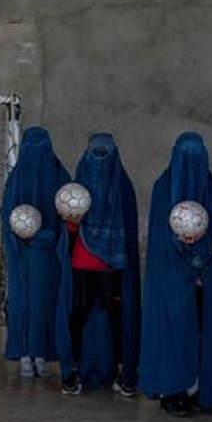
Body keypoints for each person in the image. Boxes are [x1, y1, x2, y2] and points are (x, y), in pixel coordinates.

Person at [139, 133, 212, 416]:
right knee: (174, 331)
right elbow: (161, 239)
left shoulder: (210, 187)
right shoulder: (164, 187)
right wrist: (182, 248)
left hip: (206, 272)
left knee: (203, 330)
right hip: (171, 275)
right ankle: (172, 390)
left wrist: (202, 259)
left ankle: (200, 390)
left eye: (197, 156)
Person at [56, 133, 141, 397]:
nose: (100, 159)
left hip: (112, 265)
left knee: (116, 318)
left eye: (106, 153)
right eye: (95, 153)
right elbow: (68, 231)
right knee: (77, 317)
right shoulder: (77, 186)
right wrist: (70, 221)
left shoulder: (123, 188)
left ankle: (122, 372)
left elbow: (128, 227)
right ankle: (73, 371)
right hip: (82, 263)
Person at [1, 127, 69, 377]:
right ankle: (23, 354)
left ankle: (42, 353)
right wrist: (20, 237)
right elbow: (8, 220)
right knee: (21, 304)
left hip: (49, 257)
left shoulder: (61, 177)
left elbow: (68, 216)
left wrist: (49, 237)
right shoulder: (16, 180)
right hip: (22, 256)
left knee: (44, 305)